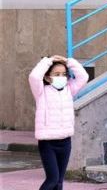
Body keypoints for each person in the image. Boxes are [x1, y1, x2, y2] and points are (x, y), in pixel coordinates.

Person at [29, 55, 89, 190]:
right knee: (52, 179)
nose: (61, 77)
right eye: (56, 74)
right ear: (47, 77)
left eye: (63, 74)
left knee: (59, 182)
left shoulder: (69, 89)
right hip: (48, 143)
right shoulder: (41, 92)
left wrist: (68, 61)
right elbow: (34, 77)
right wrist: (48, 61)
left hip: (65, 142)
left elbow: (83, 76)